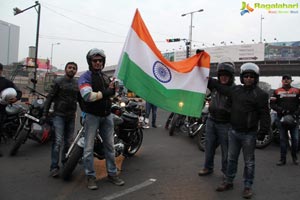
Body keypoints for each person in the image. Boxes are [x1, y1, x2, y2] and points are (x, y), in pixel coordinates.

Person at [209, 63, 270, 199]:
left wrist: (263, 131)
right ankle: (228, 182)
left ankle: (247, 187)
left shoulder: (260, 95)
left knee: (249, 162)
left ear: (255, 78)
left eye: (251, 76)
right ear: (242, 77)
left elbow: (265, 114)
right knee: (231, 159)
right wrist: (207, 78)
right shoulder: (236, 90)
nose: (248, 78)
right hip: (234, 132)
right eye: (246, 76)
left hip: (249, 134)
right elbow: (220, 87)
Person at [78, 48, 125, 190]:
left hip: (107, 116)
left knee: (110, 147)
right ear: (90, 62)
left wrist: (114, 90)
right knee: (88, 149)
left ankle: (112, 174)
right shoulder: (85, 77)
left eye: (100, 60)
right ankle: (90, 177)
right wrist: (107, 92)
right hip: (92, 116)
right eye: (95, 60)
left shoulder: (105, 77)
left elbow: (110, 94)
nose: (98, 63)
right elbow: (87, 96)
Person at [43, 62, 80, 177]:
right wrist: (45, 113)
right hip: (59, 115)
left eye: (74, 68)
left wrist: (87, 112)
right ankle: (54, 167)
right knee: (58, 141)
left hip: (71, 116)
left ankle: (65, 163)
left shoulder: (77, 84)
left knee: (68, 142)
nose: (72, 70)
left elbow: (81, 100)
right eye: (70, 68)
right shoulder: (58, 82)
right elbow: (50, 98)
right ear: (65, 69)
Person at [198, 62, 235, 177]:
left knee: (226, 151)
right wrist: (199, 62)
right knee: (209, 147)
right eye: (221, 75)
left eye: (226, 75)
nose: (223, 77)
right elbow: (202, 75)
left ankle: (226, 173)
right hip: (211, 120)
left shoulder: (234, 90)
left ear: (231, 77)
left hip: (226, 124)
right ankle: (207, 167)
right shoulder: (214, 84)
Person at [270, 74, 300, 166]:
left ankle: (294, 157)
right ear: (282, 81)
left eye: (288, 79)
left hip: (294, 119)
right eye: (284, 79)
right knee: (283, 140)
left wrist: (296, 114)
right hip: (281, 119)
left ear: (291, 81)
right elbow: (272, 104)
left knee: (295, 139)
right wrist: (281, 110)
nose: (286, 80)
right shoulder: (276, 91)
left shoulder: (297, 91)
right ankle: (282, 159)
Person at [0, 63, 22, 157]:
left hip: (1, 109)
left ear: (1, 71)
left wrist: (16, 98)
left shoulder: (6, 82)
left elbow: (18, 92)